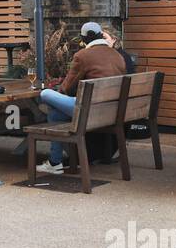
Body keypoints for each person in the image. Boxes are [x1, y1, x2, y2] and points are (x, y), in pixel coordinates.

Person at [36, 22, 129, 175]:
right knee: (55, 113)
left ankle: (55, 162)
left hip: (89, 111)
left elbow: (66, 88)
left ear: (83, 39)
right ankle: (55, 162)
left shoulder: (82, 55)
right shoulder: (117, 56)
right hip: (112, 112)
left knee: (45, 95)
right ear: (100, 35)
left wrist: (56, 92)